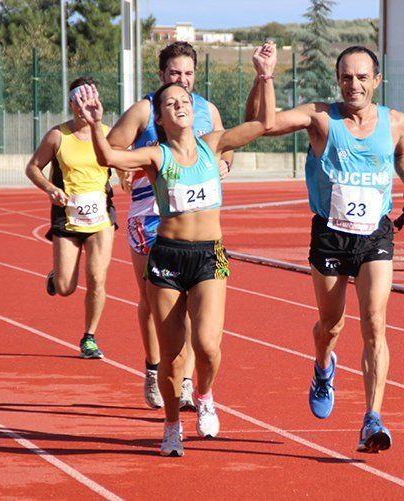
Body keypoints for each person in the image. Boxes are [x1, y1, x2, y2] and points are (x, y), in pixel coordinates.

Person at [74, 42, 277, 457]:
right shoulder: (154, 153)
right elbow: (110, 154)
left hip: (208, 255)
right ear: (161, 118)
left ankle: (204, 396)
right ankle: (171, 425)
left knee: (207, 346)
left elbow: (263, 124)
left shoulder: (213, 141)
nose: (180, 101)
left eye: (185, 98)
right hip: (166, 254)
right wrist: (96, 124)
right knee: (171, 355)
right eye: (171, 100)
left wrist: (265, 75)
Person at [245, 46, 404, 453]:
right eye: (347, 77)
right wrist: (266, 77)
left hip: (375, 235)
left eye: (362, 77)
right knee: (330, 326)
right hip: (330, 235)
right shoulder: (321, 118)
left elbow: (403, 152)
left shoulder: (396, 121)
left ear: (377, 81)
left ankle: (372, 418)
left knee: (375, 323)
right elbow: (262, 125)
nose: (354, 85)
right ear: (337, 79)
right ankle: (323, 367)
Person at [107, 42, 232, 412]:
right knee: (152, 299)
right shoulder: (147, 109)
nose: (183, 80)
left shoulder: (206, 110)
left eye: (189, 73)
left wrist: (227, 164)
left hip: (193, 216)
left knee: (195, 300)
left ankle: (188, 381)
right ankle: (153, 366)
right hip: (149, 212)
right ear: (161, 75)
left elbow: (225, 145)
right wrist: (122, 170)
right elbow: (113, 146)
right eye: (175, 73)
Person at [24, 76, 116, 360]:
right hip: (68, 216)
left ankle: (89, 337)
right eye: (78, 101)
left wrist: (126, 175)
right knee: (65, 287)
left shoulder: (108, 134)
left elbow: (121, 163)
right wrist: (51, 189)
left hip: (101, 217)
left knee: (97, 280)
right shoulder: (57, 136)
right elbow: (33, 168)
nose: (83, 108)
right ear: (71, 103)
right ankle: (57, 276)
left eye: (89, 101)